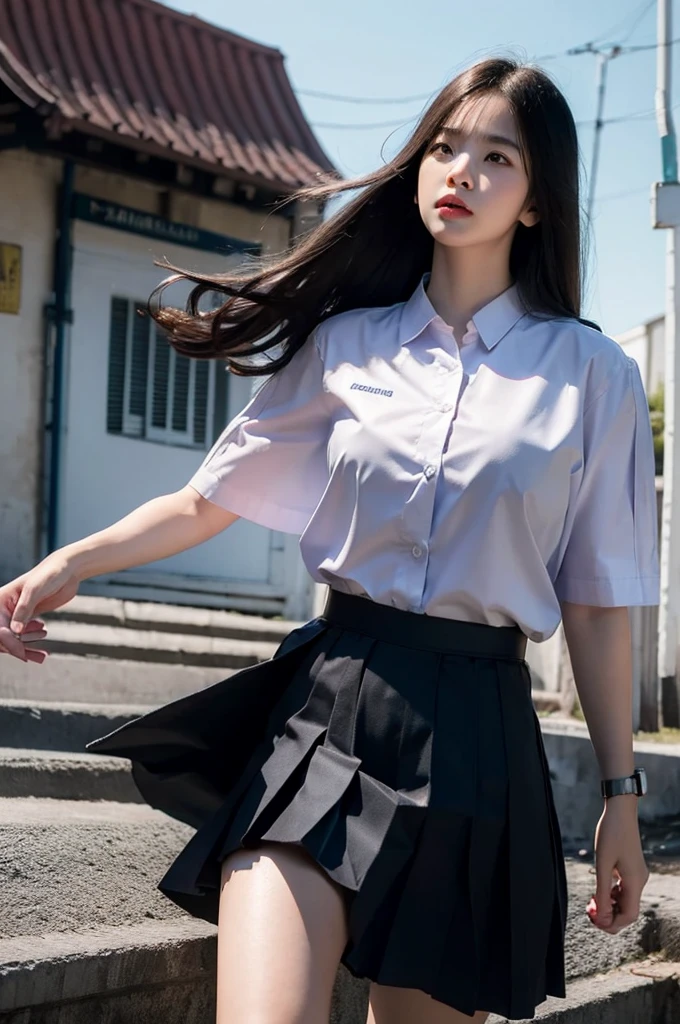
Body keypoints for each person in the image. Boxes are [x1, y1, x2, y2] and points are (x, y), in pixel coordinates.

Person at [0, 56, 660, 1024]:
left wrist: (620, 797)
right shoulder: (347, 344)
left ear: (534, 201)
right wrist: (66, 564)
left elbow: (598, 603)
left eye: (495, 156)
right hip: (331, 705)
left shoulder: (590, 374)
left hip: (479, 734)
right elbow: (209, 498)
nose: (459, 171)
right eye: (443, 147)